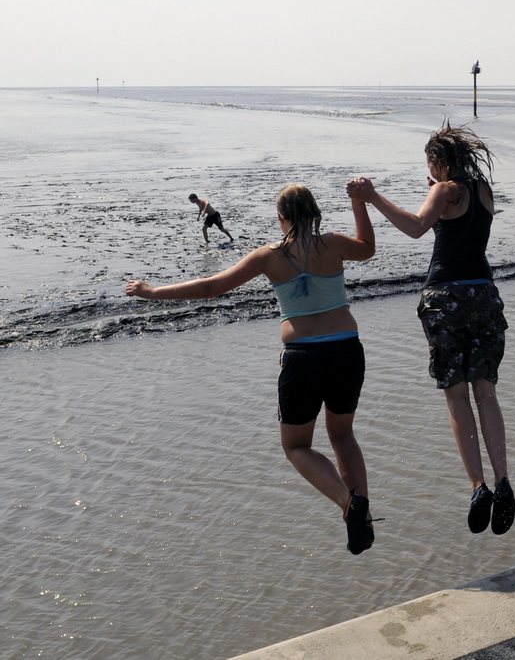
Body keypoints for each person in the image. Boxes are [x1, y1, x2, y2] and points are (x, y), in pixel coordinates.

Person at [126, 183, 377, 555]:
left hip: (303, 358)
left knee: (296, 446)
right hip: (346, 350)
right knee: (342, 435)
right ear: (314, 213)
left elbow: (212, 287)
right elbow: (368, 249)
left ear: (281, 218)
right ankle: (363, 515)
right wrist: (359, 203)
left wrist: (153, 291)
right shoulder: (334, 243)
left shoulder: (268, 256)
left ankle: (347, 502)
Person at [347, 124, 513, 536]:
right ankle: (504, 481)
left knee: (457, 397)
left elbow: (416, 226)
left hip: (446, 299)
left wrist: (372, 196)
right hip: (485, 295)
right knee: (486, 393)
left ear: (438, 162)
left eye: (431, 165)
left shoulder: (445, 191)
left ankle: (478, 487)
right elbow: (462, 226)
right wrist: (440, 189)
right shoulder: (483, 191)